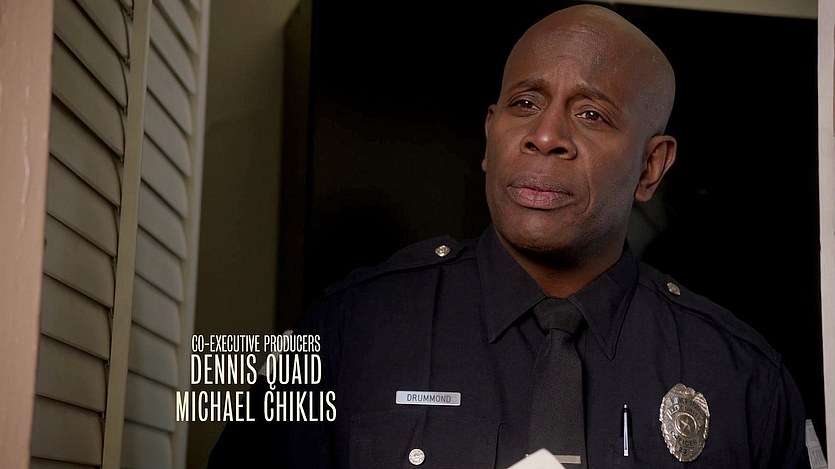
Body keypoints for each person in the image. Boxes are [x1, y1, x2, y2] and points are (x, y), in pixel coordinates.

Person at [209, 4, 811, 468]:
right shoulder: (340, 330)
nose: (545, 136)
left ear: (651, 168)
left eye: (592, 114)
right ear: (490, 135)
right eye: (525, 103)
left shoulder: (746, 382)